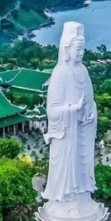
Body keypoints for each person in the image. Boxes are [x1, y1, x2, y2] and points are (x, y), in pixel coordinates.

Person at [41, 21, 98, 202]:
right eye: (78, 49)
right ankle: (65, 198)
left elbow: (90, 100)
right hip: (66, 133)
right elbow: (51, 111)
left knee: (82, 166)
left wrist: (89, 112)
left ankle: (82, 193)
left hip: (82, 128)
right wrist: (73, 109)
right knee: (66, 168)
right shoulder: (60, 74)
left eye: (83, 49)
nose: (81, 53)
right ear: (67, 48)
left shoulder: (84, 70)